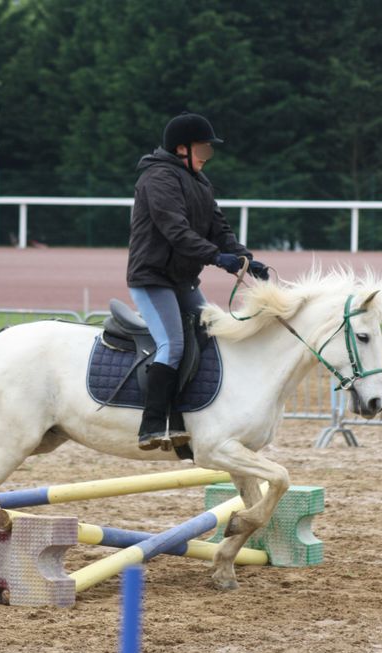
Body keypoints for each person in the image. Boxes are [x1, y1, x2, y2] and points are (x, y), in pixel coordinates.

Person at [127, 112, 269, 451]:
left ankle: (182, 419)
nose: (207, 157)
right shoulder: (157, 179)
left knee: (211, 335)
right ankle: (150, 425)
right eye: (203, 150)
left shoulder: (199, 182)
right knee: (172, 346)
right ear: (181, 149)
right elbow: (176, 231)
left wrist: (246, 259)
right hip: (152, 278)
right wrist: (216, 258)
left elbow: (219, 230)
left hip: (182, 280)